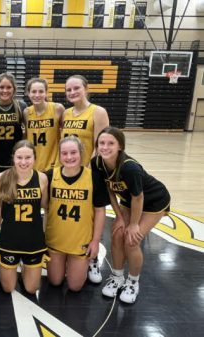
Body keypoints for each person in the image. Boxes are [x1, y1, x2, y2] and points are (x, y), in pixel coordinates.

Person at [92, 127, 170, 304]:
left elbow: (138, 197)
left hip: (153, 201)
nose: (105, 147)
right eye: (101, 143)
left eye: (110, 143)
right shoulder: (97, 163)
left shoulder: (129, 167)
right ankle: (117, 277)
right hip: (128, 200)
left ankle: (133, 282)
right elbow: (109, 191)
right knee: (117, 233)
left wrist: (133, 224)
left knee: (131, 239)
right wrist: (119, 216)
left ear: (120, 146)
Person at [62, 74, 109, 283]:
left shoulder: (97, 112)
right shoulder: (66, 113)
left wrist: (86, 169)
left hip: (91, 171)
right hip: (68, 170)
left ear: (86, 89)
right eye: (68, 90)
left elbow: (102, 145)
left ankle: (93, 260)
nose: (72, 92)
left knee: (91, 214)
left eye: (76, 88)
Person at [45, 136, 108, 291]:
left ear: (81, 153)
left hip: (81, 241)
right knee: (55, 282)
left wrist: (95, 241)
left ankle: (88, 263)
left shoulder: (93, 177)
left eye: (73, 152)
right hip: (55, 240)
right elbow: (45, 209)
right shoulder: (50, 176)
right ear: (59, 155)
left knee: (75, 287)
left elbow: (100, 211)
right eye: (64, 153)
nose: (69, 157)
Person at [0, 140, 49, 294]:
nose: (23, 162)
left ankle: (26, 267)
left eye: (28, 157)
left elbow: (45, 207)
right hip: (9, 238)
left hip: (33, 239)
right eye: (19, 157)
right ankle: (13, 268)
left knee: (31, 289)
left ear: (34, 158)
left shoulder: (42, 178)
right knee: (8, 288)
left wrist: (44, 233)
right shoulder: (1, 178)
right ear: (13, 158)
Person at [0, 73, 26, 252]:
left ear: (14, 89)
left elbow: (28, 131)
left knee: (15, 197)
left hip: (15, 161)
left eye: (9, 87)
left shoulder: (21, 106)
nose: (5, 90)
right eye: (2, 87)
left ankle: (14, 229)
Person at [24, 77, 64, 172]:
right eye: (33, 92)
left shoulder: (57, 108)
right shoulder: (26, 112)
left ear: (46, 92)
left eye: (41, 91)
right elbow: (26, 136)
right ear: (28, 93)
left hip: (53, 166)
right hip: (32, 166)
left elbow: (65, 135)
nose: (37, 95)